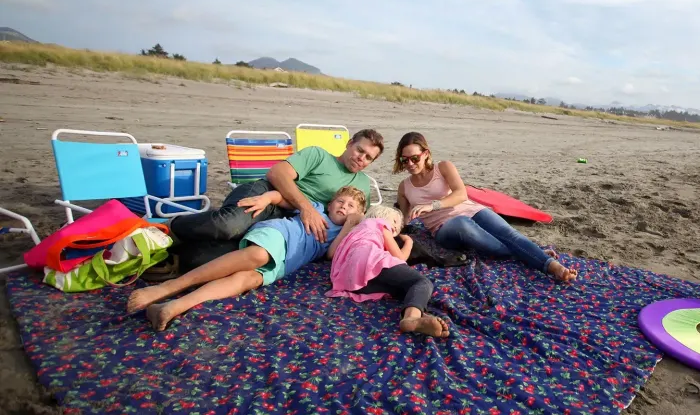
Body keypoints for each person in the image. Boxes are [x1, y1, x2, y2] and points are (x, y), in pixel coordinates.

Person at [127, 186, 367, 330]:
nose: (344, 207)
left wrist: (350, 226)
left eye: (351, 206)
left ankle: (173, 307)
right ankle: (168, 288)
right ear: (330, 203)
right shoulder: (315, 208)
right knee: (258, 255)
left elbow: (332, 254)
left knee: (247, 280)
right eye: (341, 201)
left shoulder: (346, 234)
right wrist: (266, 198)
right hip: (279, 235)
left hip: (287, 261)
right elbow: (281, 197)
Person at [168, 129, 384, 269]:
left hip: (287, 223)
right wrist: (306, 208)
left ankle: (169, 253)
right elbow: (277, 173)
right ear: (349, 143)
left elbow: (359, 218)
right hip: (267, 194)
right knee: (228, 226)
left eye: (368, 158)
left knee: (215, 257)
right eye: (360, 150)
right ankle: (170, 227)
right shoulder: (318, 155)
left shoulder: (363, 183)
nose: (361, 158)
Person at [394, 132, 577, 282]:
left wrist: (431, 206)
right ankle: (530, 253)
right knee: (466, 226)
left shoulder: (443, 167)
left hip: (472, 210)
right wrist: (402, 220)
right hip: (445, 229)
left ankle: (553, 266)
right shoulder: (404, 187)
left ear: (426, 153)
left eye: (414, 158)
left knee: (509, 234)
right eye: (405, 160)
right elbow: (404, 218)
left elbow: (461, 194)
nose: (410, 164)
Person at [325, 204, 448, 338]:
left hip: (349, 279)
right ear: (382, 215)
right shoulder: (379, 223)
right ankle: (412, 317)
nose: (396, 227)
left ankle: (418, 315)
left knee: (403, 288)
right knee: (421, 282)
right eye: (394, 221)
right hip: (369, 260)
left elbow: (331, 254)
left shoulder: (354, 231)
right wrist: (409, 242)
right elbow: (400, 257)